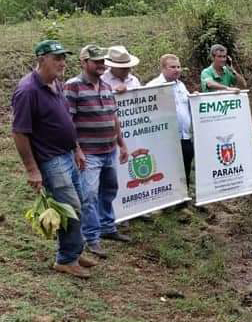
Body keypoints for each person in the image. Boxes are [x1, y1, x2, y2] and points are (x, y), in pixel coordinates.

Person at [11, 40, 98, 278]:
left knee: (78, 202)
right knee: (71, 208)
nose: (62, 63)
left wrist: (76, 148)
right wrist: (31, 169)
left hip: (67, 155)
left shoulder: (56, 84)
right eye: (56, 58)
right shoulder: (27, 91)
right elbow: (19, 131)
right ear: (41, 59)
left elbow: (65, 121)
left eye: (63, 58)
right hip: (50, 160)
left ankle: (74, 250)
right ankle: (66, 260)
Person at [64, 44, 131, 258]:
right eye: (96, 61)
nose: (101, 65)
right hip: (89, 151)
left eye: (103, 61)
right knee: (89, 194)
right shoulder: (72, 87)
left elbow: (113, 117)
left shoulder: (105, 86)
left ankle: (108, 227)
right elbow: (68, 122)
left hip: (109, 148)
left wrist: (122, 144)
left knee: (109, 189)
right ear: (84, 63)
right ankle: (91, 237)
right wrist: (77, 150)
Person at [147, 54, 194, 191]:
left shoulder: (181, 85)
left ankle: (183, 199)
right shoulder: (153, 86)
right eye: (172, 67)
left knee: (185, 166)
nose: (177, 70)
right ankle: (168, 200)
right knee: (167, 169)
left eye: (178, 67)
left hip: (184, 136)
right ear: (163, 68)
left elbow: (186, 106)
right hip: (165, 138)